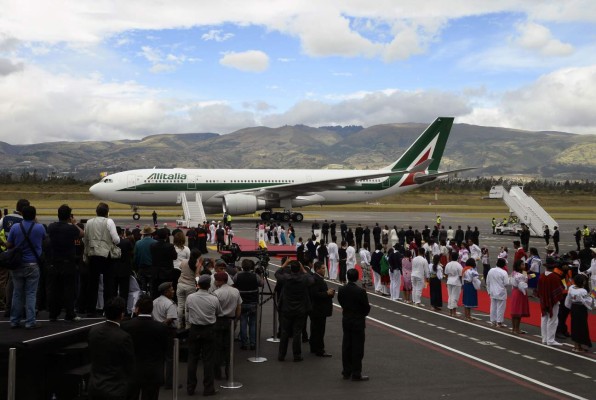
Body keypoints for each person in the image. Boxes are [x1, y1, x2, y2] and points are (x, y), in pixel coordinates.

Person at [122, 295, 170, 400]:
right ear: (151, 309)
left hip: (132, 370)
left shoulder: (126, 326)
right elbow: (166, 348)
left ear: (137, 309)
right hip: (153, 371)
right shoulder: (161, 327)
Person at [6, 205, 45, 329]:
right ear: (34, 215)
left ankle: (14, 320)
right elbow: (45, 239)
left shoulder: (15, 227)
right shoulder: (40, 227)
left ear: (21, 214)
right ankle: (30, 321)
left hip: (18, 265)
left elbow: (9, 245)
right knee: (31, 294)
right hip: (33, 265)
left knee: (17, 293)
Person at [88, 297, 134, 400]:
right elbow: (129, 365)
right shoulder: (124, 337)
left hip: (94, 386)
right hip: (115, 389)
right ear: (122, 314)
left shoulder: (93, 331)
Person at [46, 204, 84, 322]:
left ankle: (53, 314)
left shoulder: (51, 227)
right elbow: (82, 233)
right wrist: (73, 223)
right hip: (68, 263)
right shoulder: (71, 228)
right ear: (69, 216)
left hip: (54, 262)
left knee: (55, 289)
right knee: (69, 290)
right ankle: (69, 313)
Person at [186, 274, 221, 396]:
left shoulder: (190, 297)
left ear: (198, 284)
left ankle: (190, 387)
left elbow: (187, 310)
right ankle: (208, 388)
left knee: (192, 359)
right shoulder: (214, 299)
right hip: (209, 330)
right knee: (208, 360)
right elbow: (218, 312)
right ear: (209, 285)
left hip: (194, 329)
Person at [83, 202, 120, 317]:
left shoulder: (89, 222)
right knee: (108, 284)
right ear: (107, 212)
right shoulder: (109, 221)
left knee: (92, 283)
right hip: (106, 255)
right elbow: (116, 240)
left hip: (93, 254)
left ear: (96, 212)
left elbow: (85, 238)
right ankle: (107, 310)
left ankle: (91, 310)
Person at [275, 260, 314, 362]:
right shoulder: (304, 279)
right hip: (300, 309)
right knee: (297, 333)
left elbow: (277, 274)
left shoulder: (286, 278)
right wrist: (303, 269)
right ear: (300, 269)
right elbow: (311, 279)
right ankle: (296, 355)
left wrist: (285, 264)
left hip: (287, 309)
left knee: (284, 332)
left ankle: (281, 355)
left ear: (291, 269)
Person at [338, 268, 371, 381]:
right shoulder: (360, 291)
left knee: (346, 345)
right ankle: (356, 372)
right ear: (357, 277)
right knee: (357, 347)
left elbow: (341, 302)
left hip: (346, 319)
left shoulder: (341, 289)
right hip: (357, 320)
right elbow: (366, 307)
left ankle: (346, 371)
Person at [213, 271, 242, 380]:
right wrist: (236, 319)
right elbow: (239, 307)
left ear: (220, 281)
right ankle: (229, 372)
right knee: (228, 347)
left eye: (216, 280)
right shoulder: (235, 291)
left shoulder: (216, 293)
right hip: (231, 321)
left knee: (217, 347)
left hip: (218, 320)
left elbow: (214, 309)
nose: (215, 281)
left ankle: (217, 373)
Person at [152, 282, 177, 389]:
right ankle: (169, 382)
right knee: (169, 358)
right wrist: (162, 326)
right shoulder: (169, 303)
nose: (173, 291)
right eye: (171, 290)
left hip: (155, 330)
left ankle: (159, 380)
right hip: (167, 331)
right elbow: (170, 319)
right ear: (166, 292)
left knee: (159, 357)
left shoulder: (154, 301)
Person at [234, 259, 263, 350]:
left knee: (243, 323)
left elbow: (233, 284)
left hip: (242, 302)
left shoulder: (237, 275)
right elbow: (262, 284)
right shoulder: (255, 276)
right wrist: (260, 274)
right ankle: (253, 343)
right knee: (253, 323)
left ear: (242, 266)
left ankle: (244, 343)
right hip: (253, 302)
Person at [309, 261, 335, 357]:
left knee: (315, 329)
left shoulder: (317, 278)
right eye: (323, 268)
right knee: (319, 330)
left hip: (317, 309)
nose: (325, 270)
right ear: (317, 269)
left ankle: (314, 347)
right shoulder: (316, 279)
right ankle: (320, 349)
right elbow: (315, 294)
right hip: (318, 309)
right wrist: (327, 293)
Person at [537, 257, 565, 346]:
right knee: (552, 320)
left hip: (543, 300)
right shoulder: (555, 277)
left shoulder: (541, 276)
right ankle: (550, 340)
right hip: (553, 301)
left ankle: (544, 338)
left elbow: (539, 289)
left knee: (544, 318)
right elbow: (560, 289)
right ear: (553, 267)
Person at [564, 274, 593, 352]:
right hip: (581, 309)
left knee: (575, 326)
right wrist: (591, 297)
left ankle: (576, 345)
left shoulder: (571, 288)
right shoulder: (583, 291)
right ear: (582, 282)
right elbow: (588, 301)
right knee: (581, 327)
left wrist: (569, 307)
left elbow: (568, 300)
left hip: (573, 308)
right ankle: (579, 347)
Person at [177, 249, 201, 329]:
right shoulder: (198, 264)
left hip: (180, 284)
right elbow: (197, 275)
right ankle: (187, 325)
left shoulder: (184, 261)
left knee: (180, 305)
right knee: (188, 307)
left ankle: (179, 323)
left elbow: (180, 267)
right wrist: (197, 285)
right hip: (190, 286)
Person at [150, 228, 177, 299]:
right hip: (167, 272)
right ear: (166, 236)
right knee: (167, 292)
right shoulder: (170, 246)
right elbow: (175, 257)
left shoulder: (153, 245)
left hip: (156, 273)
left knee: (155, 292)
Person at [487, 258, 509, 328]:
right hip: (501, 292)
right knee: (501, 307)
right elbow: (506, 283)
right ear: (504, 265)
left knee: (493, 306)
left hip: (492, 291)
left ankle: (493, 321)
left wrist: (489, 290)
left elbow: (488, 281)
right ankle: (499, 322)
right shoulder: (504, 272)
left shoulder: (491, 270)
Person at [510, 259, 530, 335]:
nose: (524, 266)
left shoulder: (513, 273)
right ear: (519, 266)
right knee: (519, 311)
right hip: (520, 292)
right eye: (522, 265)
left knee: (514, 310)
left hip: (514, 291)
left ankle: (513, 328)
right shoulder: (521, 275)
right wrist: (527, 278)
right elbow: (523, 285)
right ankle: (517, 329)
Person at [444, 251, 463, 317]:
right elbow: (461, 275)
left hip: (449, 281)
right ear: (457, 257)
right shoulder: (458, 265)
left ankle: (450, 311)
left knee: (450, 296)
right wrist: (462, 283)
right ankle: (454, 312)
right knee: (455, 297)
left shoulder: (448, 264)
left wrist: (447, 280)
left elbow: (446, 274)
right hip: (456, 282)